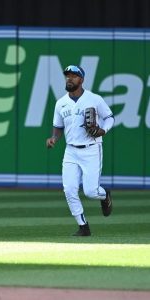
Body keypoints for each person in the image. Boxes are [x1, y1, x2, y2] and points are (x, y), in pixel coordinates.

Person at [45, 65, 114, 236]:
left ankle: (104, 196)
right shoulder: (61, 103)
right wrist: (54, 138)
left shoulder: (94, 99)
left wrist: (103, 130)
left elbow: (109, 117)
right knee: (69, 189)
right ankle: (83, 226)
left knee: (91, 191)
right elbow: (58, 126)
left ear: (81, 80)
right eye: (67, 75)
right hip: (71, 151)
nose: (69, 78)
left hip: (91, 149)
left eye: (74, 76)